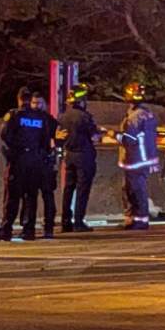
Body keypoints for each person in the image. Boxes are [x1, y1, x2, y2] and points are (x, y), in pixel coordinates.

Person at [0, 87, 51, 241]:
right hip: (35, 161)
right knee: (31, 196)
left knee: (12, 196)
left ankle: (6, 230)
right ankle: (29, 230)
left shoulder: (14, 115)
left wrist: (13, 151)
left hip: (18, 160)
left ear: (19, 99)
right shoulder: (41, 118)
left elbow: (5, 135)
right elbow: (46, 141)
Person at [57, 82, 101, 233]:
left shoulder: (63, 117)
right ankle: (78, 221)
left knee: (68, 189)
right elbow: (95, 137)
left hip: (69, 155)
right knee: (82, 189)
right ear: (82, 100)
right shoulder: (85, 117)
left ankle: (65, 221)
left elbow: (59, 136)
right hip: (84, 155)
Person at [116, 82, 160, 230]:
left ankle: (139, 220)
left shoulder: (135, 116)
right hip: (143, 158)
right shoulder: (146, 113)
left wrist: (113, 135)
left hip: (136, 159)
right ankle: (137, 219)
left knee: (134, 190)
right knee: (134, 189)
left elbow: (129, 139)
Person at [24, 92, 59, 239]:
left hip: (45, 162)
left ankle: (48, 227)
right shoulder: (27, 120)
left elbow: (57, 137)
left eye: (39, 103)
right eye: (34, 103)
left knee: (47, 196)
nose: (36, 106)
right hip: (32, 163)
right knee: (31, 197)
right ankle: (29, 228)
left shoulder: (50, 121)